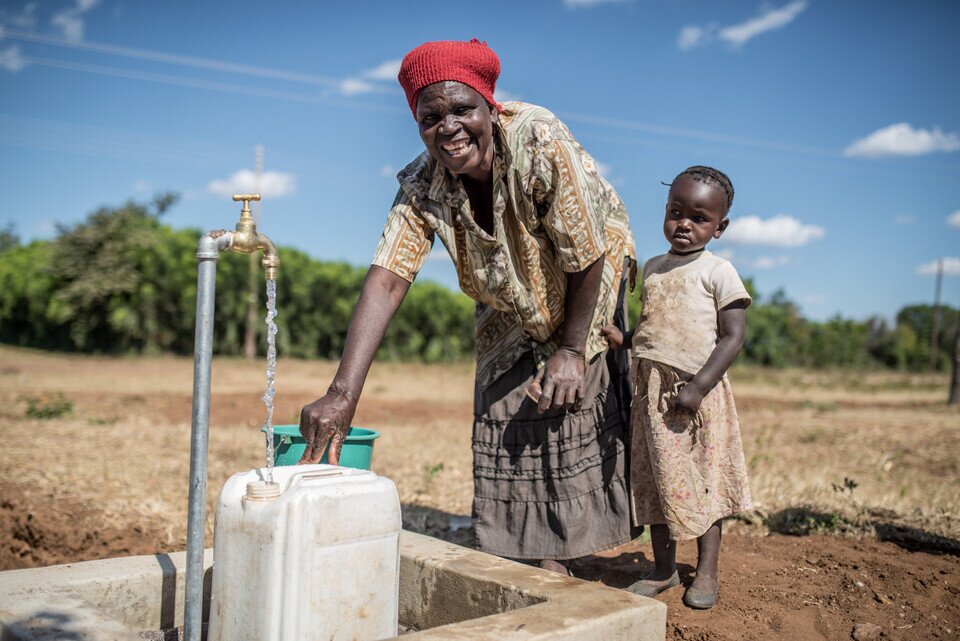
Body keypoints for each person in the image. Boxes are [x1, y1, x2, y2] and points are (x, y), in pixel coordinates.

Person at [298, 39, 637, 574]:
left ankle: (568, 555)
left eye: (462, 109)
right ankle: (524, 553)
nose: (448, 128)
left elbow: (587, 247)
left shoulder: (538, 139)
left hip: (582, 280)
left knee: (568, 396)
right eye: (430, 117)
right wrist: (342, 394)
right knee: (507, 407)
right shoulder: (421, 182)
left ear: (488, 106)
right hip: (503, 291)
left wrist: (572, 348)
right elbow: (387, 279)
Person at [602, 166, 753, 609]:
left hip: (694, 396)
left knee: (702, 484)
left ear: (719, 227)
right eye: (675, 212)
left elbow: (732, 337)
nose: (684, 224)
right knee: (654, 483)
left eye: (699, 218)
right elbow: (654, 327)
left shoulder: (719, 271)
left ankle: (706, 571)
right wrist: (623, 339)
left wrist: (699, 387)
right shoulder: (653, 268)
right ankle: (664, 570)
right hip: (651, 395)